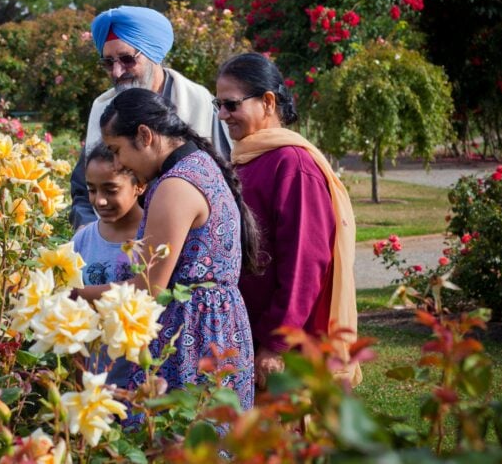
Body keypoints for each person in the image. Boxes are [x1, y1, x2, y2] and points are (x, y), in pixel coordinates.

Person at [75, 88, 261, 410]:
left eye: (117, 150)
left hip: (192, 335)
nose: (118, 162)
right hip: (217, 329)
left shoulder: (175, 185)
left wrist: (72, 296)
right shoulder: (198, 165)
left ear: (145, 136)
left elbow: (148, 288)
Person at [215, 52, 362, 388]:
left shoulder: (292, 165)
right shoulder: (246, 158)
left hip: (283, 344)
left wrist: (277, 342)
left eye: (232, 104)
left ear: (268, 102)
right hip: (245, 332)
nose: (223, 115)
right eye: (218, 104)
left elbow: (305, 263)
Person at [69, 5, 231, 229]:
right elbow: (82, 190)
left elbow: (229, 179)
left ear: (154, 55)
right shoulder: (103, 108)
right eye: (108, 63)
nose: (117, 72)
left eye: (127, 59)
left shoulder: (199, 102)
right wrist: (90, 234)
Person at [72, 142, 145, 386]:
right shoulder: (82, 239)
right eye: (92, 190)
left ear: (140, 186)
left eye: (111, 190)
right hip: (93, 376)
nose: (99, 201)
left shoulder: (152, 238)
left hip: (142, 376)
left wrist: (79, 293)